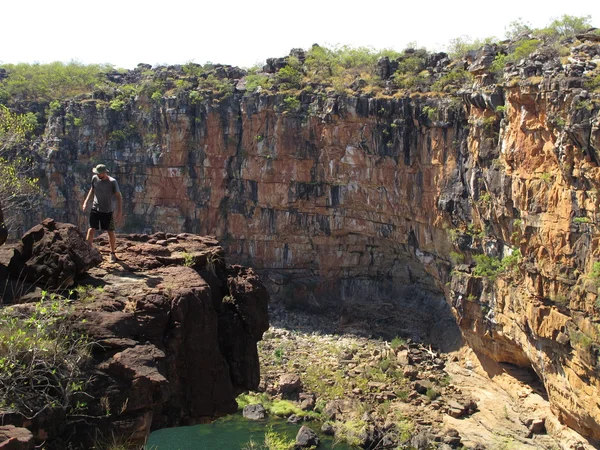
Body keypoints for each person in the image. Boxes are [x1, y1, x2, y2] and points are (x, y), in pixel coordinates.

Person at [82, 164, 123, 262]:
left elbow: (119, 196)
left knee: (110, 231)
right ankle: (88, 252)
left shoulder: (112, 182)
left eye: (98, 173)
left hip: (107, 210)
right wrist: (86, 202)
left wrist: (120, 211)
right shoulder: (95, 178)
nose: (97, 174)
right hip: (95, 208)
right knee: (91, 229)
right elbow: (92, 190)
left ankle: (112, 253)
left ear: (104, 173)